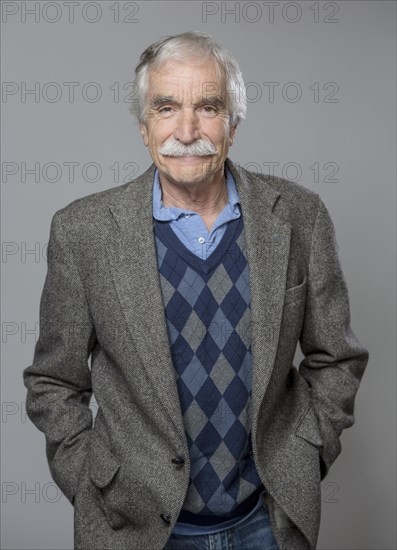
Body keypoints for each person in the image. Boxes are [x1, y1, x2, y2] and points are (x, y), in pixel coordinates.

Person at [23, 31, 369, 550]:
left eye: (208, 107)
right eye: (166, 108)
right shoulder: (83, 232)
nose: (187, 130)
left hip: (268, 524)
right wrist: (94, 481)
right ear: (144, 127)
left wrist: (306, 451)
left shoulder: (300, 218)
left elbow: (337, 358)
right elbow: (53, 382)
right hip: (135, 529)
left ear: (233, 122)